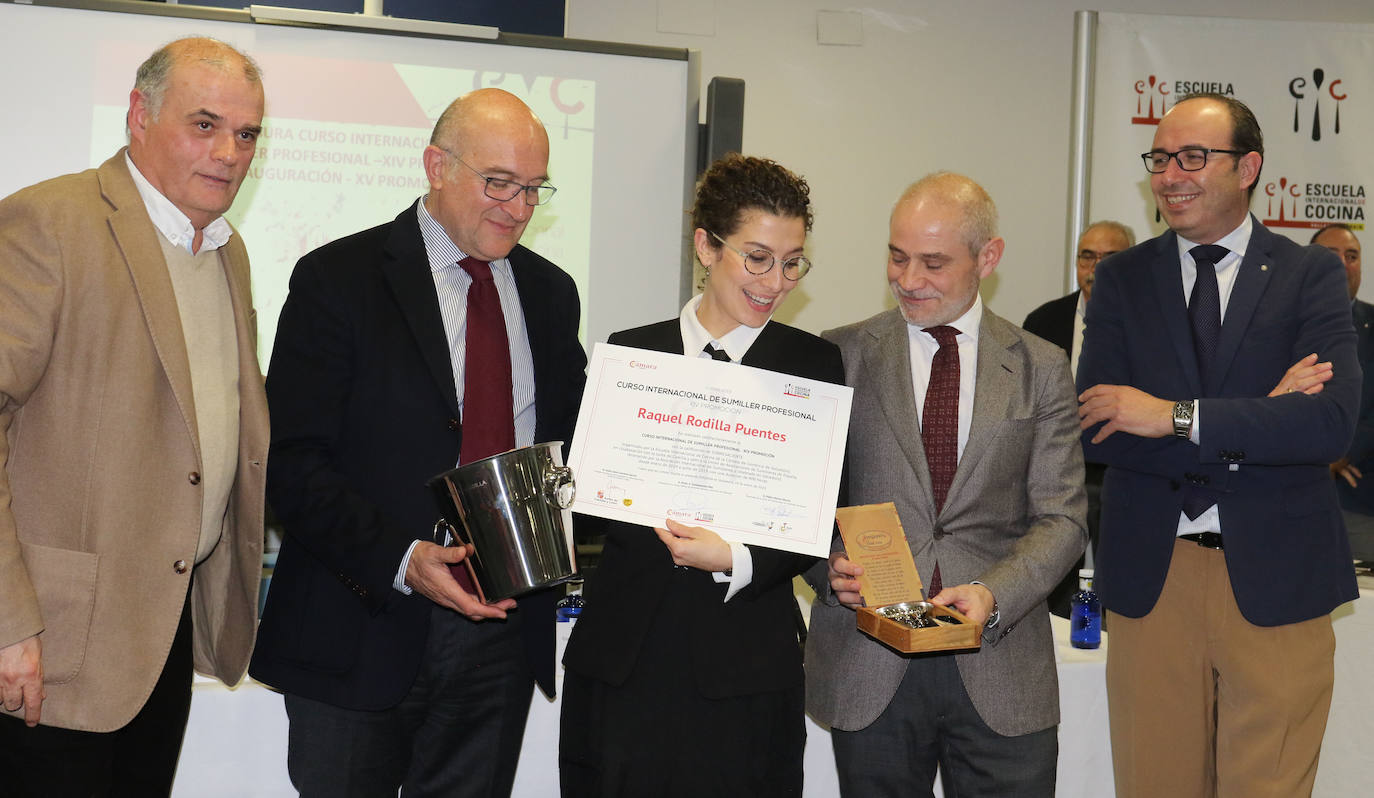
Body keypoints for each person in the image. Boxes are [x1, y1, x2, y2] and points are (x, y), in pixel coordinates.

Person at [249, 88, 586, 797]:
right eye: (499, 183)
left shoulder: (552, 295)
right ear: (436, 166)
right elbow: (291, 462)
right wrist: (401, 559)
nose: (519, 208)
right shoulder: (338, 279)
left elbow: (576, 445)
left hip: (498, 638)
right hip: (362, 622)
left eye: (534, 189)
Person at [0, 37, 269, 795]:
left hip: (156, 640)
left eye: (247, 134)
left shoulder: (225, 249)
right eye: (205, 124)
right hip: (44, 648)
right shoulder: (51, 223)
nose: (228, 153)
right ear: (138, 116)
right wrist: (7, 621)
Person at [1077, 93, 1359, 798]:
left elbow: (1328, 426)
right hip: (1154, 578)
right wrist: (1261, 417)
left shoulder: (1309, 275)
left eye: (1194, 157)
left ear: (1250, 166)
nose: (1170, 175)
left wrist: (1173, 416)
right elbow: (1099, 427)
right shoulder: (1123, 278)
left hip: (1279, 579)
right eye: (1161, 159)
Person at [559, 154, 844, 797]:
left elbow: (819, 513)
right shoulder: (631, 353)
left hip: (745, 668)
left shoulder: (814, 366)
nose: (776, 281)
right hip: (622, 662)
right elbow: (589, 504)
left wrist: (736, 557)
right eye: (757, 257)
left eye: (792, 260)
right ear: (706, 246)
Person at [806, 171, 1087, 797]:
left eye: (933, 263)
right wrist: (827, 566)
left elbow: (1063, 518)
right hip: (870, 663)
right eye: (897, 257)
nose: (908, 280)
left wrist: (995, 593)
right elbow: (802, 502)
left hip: (1002, 663)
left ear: (988, 257)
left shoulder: (1040, 366)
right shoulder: (839, 355)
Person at [1023, 220, 1135, 616]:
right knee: (1054, 568)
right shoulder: (1043, 322)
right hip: (1054, 471)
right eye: (1087, 256)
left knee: (1118, 573)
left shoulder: (1149, 325)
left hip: (1119, 469)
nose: (1095, 268)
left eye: (1110, 258)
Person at [1313, 224, 1374, 562]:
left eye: (1352, 256)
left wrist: (1340, 454)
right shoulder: (1274, 322)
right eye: (1330, 255)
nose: (1342, 264)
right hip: (1283, 493)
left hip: (1357, 496)